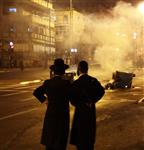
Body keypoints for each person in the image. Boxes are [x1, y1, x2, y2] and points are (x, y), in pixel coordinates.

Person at [33, 58, 71, 150]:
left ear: (53, 71)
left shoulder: (48, 83)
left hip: (51, 115)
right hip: (63, 116)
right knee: (60, 142)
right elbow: (73, 96)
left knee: (50, 141)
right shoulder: (66, 84)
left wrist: (46, 100)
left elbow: (36, 92)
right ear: (63, 72)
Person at [70, 60, 105, 150]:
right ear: (87, 69)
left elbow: (72, 99)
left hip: (80, 112)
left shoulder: (76, 83)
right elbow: (102, 91)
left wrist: (79, 104)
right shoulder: (93, 80)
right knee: (89, 133)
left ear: (79, 69)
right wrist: (93, 101)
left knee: (80, 136)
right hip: (90, 110)